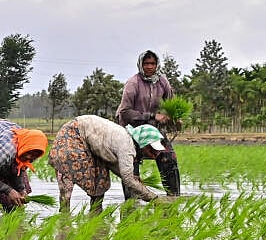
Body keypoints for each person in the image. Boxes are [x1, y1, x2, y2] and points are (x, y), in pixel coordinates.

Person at [49, 115, 167, 212]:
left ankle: (95, 214)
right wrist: (153, 198)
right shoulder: (127, 146)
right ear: (143, 144)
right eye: (151, 150)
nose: (152, 155)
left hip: (84, 138)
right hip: (73, 135)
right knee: (68, 175)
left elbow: (114, 164)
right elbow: (128, 179)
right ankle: (64, 219)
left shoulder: (125, 140)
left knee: (100, 178)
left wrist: (135, 180)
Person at [116, 49, 180, 196]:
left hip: (153, 130)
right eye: (146, 63)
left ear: (157, 65)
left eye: (152, 63)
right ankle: (132, 201)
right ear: (140, 65)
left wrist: (175, 118)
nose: (149, 66)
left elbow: (170, 105)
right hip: (131, 129)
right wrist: (152, 115)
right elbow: (124, 112)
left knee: (168, 157)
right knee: (131, 164)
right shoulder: (133, 83)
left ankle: (173, 197)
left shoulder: (163, 82)